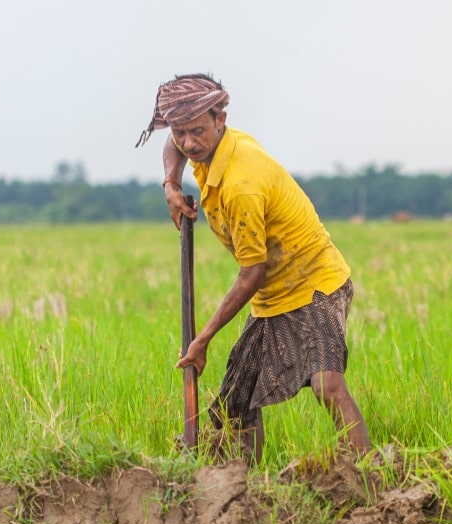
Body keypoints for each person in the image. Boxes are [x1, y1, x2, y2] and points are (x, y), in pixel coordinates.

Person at [136, 73, 371, 464]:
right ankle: (240, 488)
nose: (189, 142)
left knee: (326, 385)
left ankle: (371, 479)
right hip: (272, 296)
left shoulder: (241, 181)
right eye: (181, 132)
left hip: (314, 282)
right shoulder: (200, 149)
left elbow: (252, 273)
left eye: (198, 130)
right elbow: (172, 144)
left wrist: (202, 340)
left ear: (220, 120)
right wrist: (170, 186)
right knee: (236, 401)